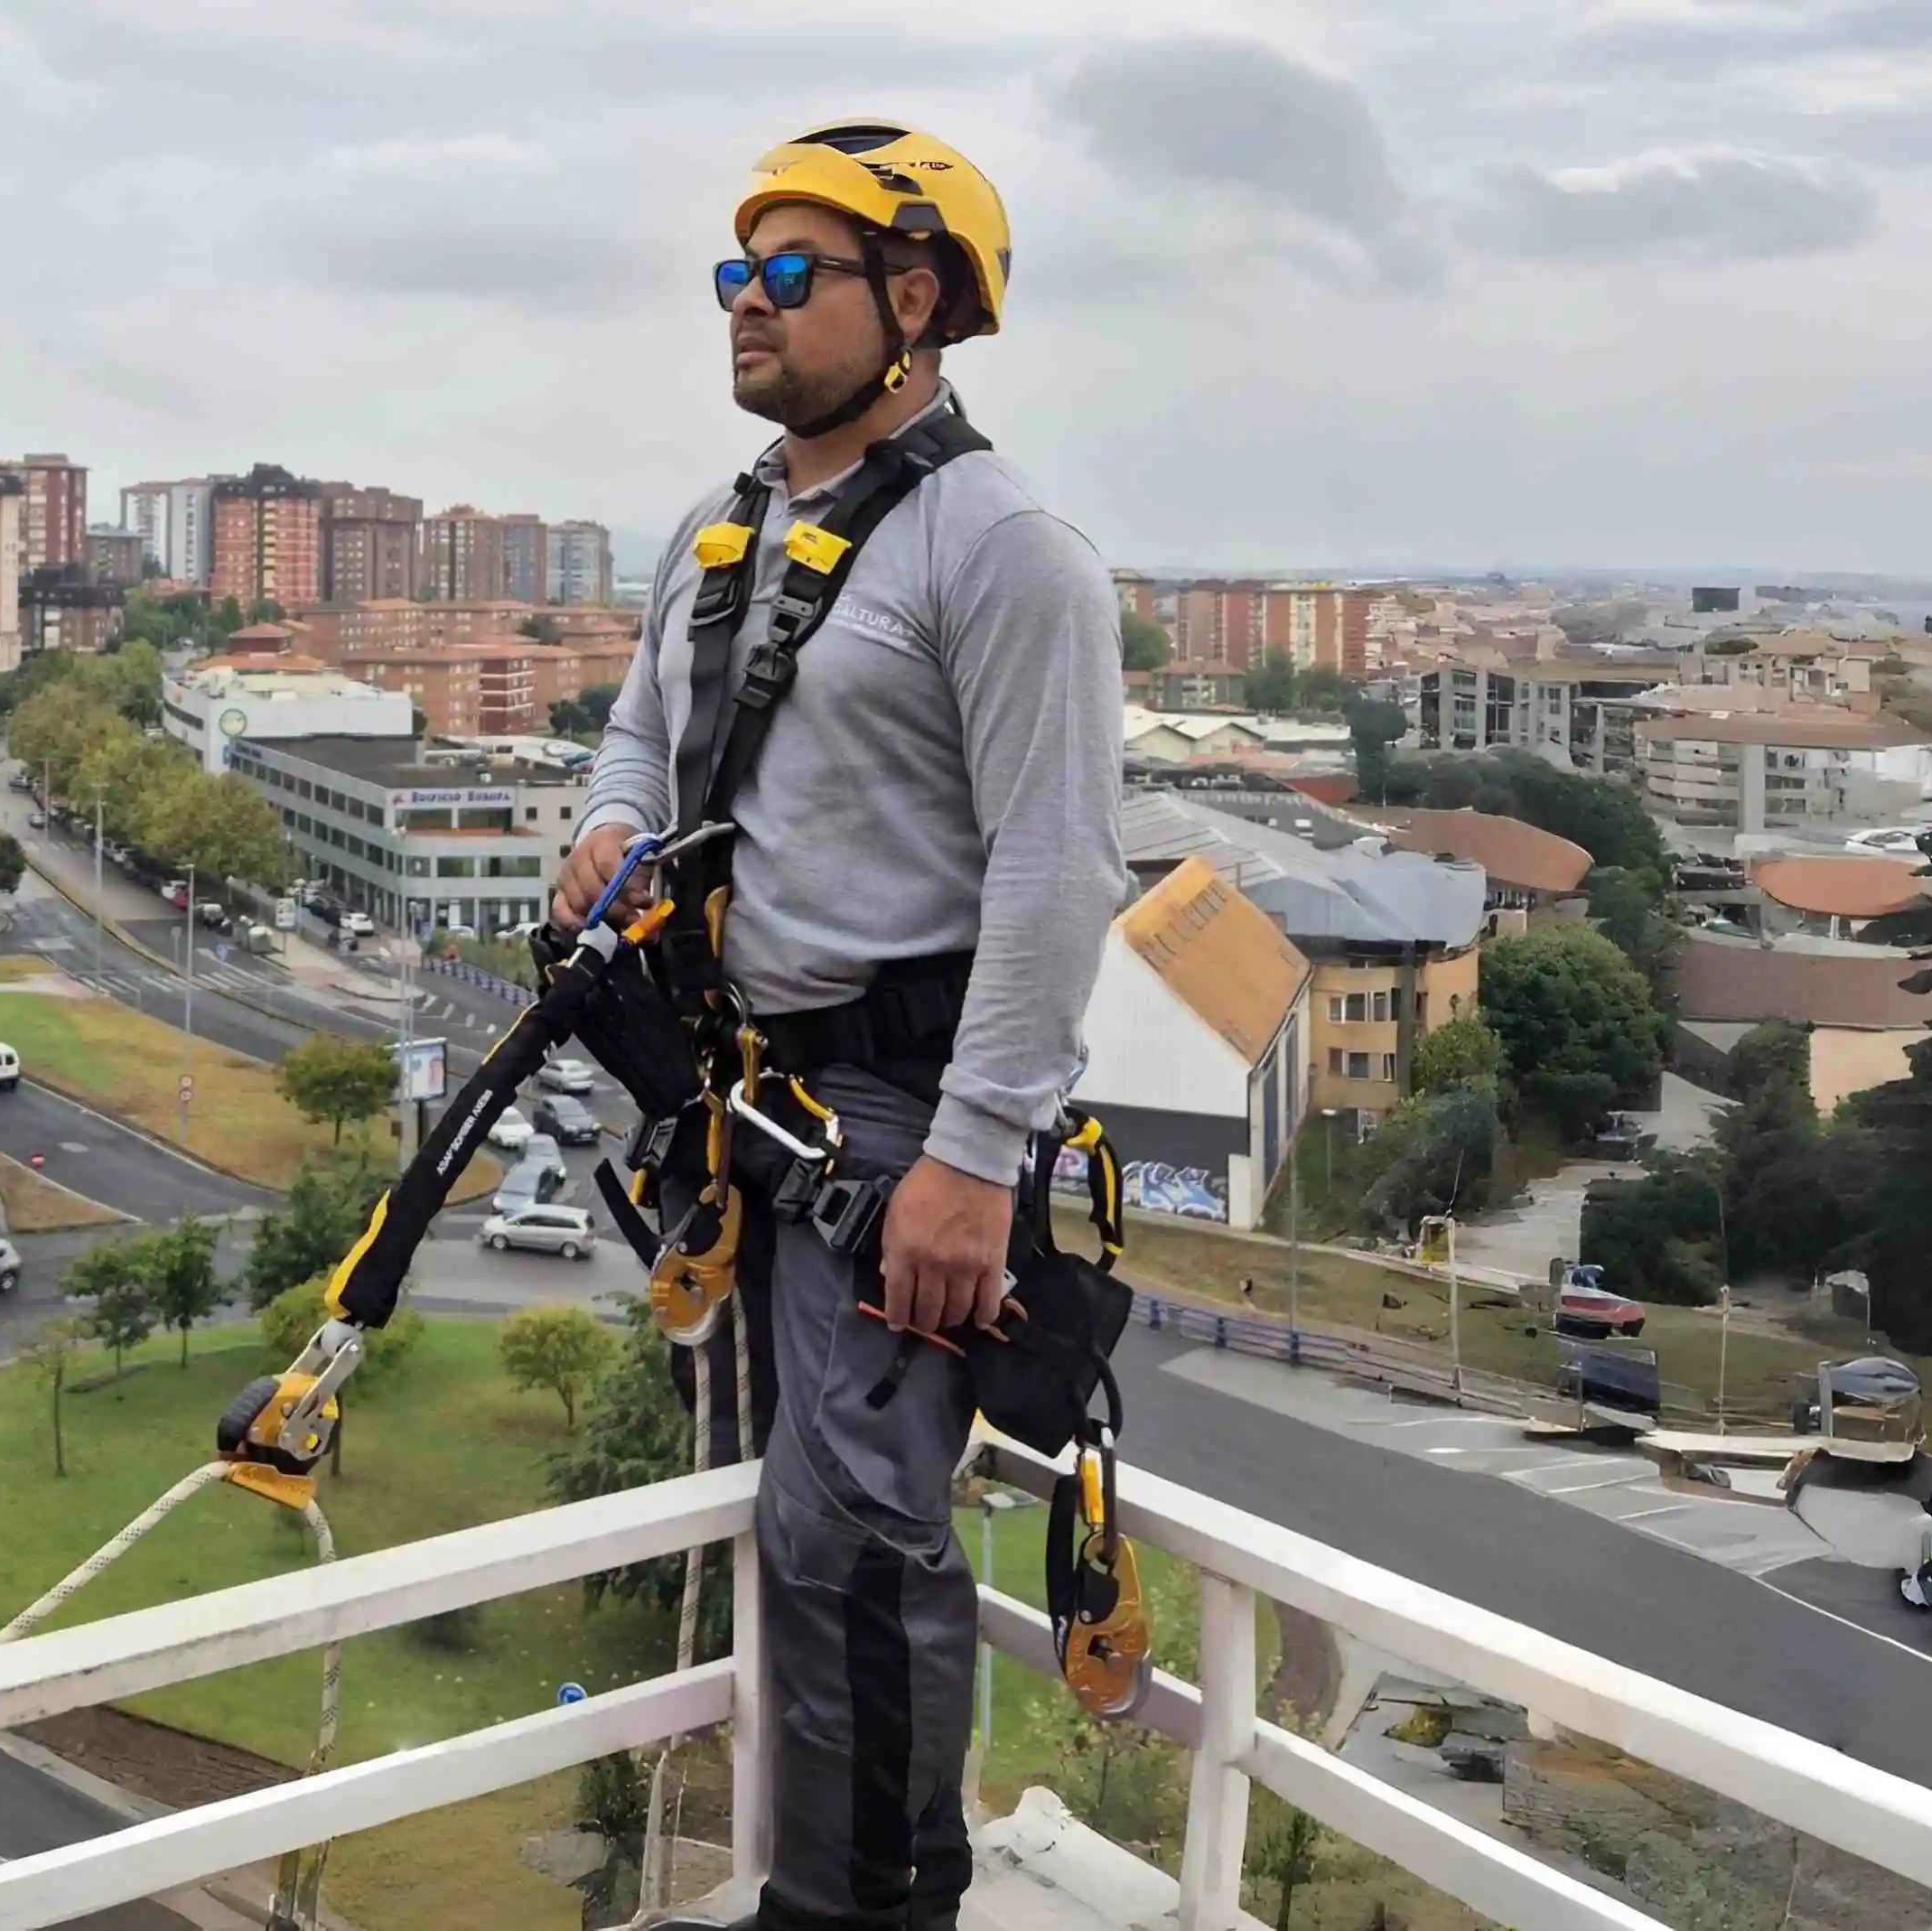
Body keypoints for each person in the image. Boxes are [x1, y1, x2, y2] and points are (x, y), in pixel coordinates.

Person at [555, 122, 1127, 1930]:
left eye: (785, 274)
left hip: (898, 1107)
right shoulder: (726, 529)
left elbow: (1054, 867)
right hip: (751, 1102)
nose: (743, 303)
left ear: (913, 301)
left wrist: (972, 1158)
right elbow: (645, 737)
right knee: (777, 1510)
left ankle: (871, 1906)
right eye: (733, 274)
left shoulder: (1003, 546)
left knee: (859, 1533)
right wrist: (600, 823)